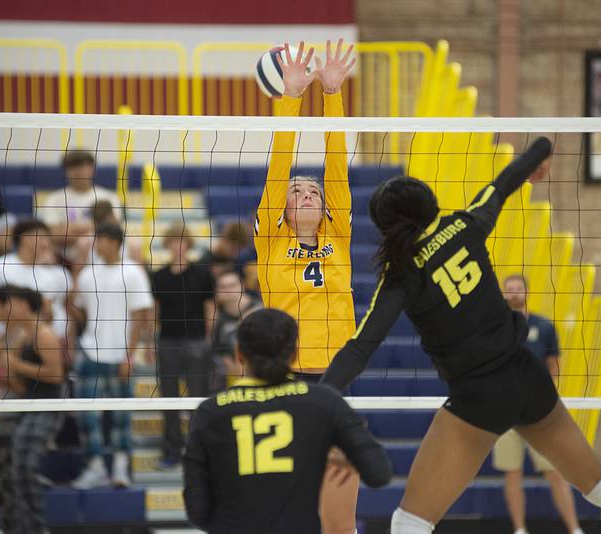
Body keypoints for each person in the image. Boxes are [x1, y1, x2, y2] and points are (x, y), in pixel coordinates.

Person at [321, 137, 601, 534]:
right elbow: (502, 183)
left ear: (387, 227)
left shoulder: (401, 276)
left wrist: (317, 398)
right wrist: (542, 150)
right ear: (429, 203)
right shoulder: (465, 224)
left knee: (409, 522)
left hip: (478, 395)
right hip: (525, 373)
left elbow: (361, 348)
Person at [253, 39, 359, 534]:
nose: (306, 191)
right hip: (287, 370)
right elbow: (280, 169)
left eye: (312, 189)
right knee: (288, 480)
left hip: (336, 368)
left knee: (341, 469)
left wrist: (333, 94)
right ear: (284, 210)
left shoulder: (338, 232)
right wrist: (291, 99)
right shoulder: (272, 239)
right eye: (297, 192)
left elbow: (335, 165)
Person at [183, 308, 392, 533]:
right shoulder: (324, 402)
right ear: (294, 353)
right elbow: (379, 473)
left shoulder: (210, 412)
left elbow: (197, 511)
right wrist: (351, 457)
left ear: (238, 354)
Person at [493, 274, 583, 534]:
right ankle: (520, 529)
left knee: (555, 472)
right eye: (508, 290)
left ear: (527, 292)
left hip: (538, 412)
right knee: (512, 473)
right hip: (506, 413)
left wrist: (547, 399)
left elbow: (553, 366)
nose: (513, 294)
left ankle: (575, 529)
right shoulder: (495, 327)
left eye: (517, 289)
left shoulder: (543, 326)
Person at [69, 223, 154, 489]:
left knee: (121, 417)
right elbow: (80, 312)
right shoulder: (87, 274)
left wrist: (130, 356)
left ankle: (120, 468)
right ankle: (94, 467)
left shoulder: (133, 272)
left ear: (115, 242)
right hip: (90, 351)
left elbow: (141, 316)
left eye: (101, 239)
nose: (97, 244)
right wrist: (70, 301)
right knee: (87, 416)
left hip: (120, 355)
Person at [0, 285, 65, 534]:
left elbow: (56, 375)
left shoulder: (43, 334)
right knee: (13, 472)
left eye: (8, 303)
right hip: (28, 407)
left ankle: (37, 528)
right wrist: (5, 369)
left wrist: (15, 363)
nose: (5, 310)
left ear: (21, 304)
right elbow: (21, 386)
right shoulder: (22, 337)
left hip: (48, 408)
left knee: (24, 468)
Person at [151, 223, 215, 469]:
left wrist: (209, 338)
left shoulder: (201, 274)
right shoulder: (158, 276)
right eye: (173, 241)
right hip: (168, 341)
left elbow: (209, 307)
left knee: (198, 399)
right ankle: (172, 451)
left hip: (197, 341)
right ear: (167, 245)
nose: (178, 246)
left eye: (182, 241)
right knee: (169, 400)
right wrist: (149, 341)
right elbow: (155, 311)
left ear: (188, 245)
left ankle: (199, 452)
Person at [0, 219, 73, 343]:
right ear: (24, 238)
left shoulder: (53, 275)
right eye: (41, 238)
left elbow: (53, 313)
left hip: (42, 343)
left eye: (47, 239)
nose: (46, 243)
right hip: (5, 342)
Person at [35, 150, 122, 261]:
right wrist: (94, 226)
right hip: (63, 259)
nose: (78, 171)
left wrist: (70, 228)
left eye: (82, 166)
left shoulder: (109, 197)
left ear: (92, 169)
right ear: (66, 171)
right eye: (73, 167)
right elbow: (54, 235)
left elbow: (112, 230)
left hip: (102, 258)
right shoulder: (54, 199)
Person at [211, 270, 262, 383]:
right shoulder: (221, 322)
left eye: (232, 285)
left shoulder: (261, 309)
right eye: (223, 287)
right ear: (217, 292)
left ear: (242, 286)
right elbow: (223, 353)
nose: (228, 290)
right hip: (237, 378)